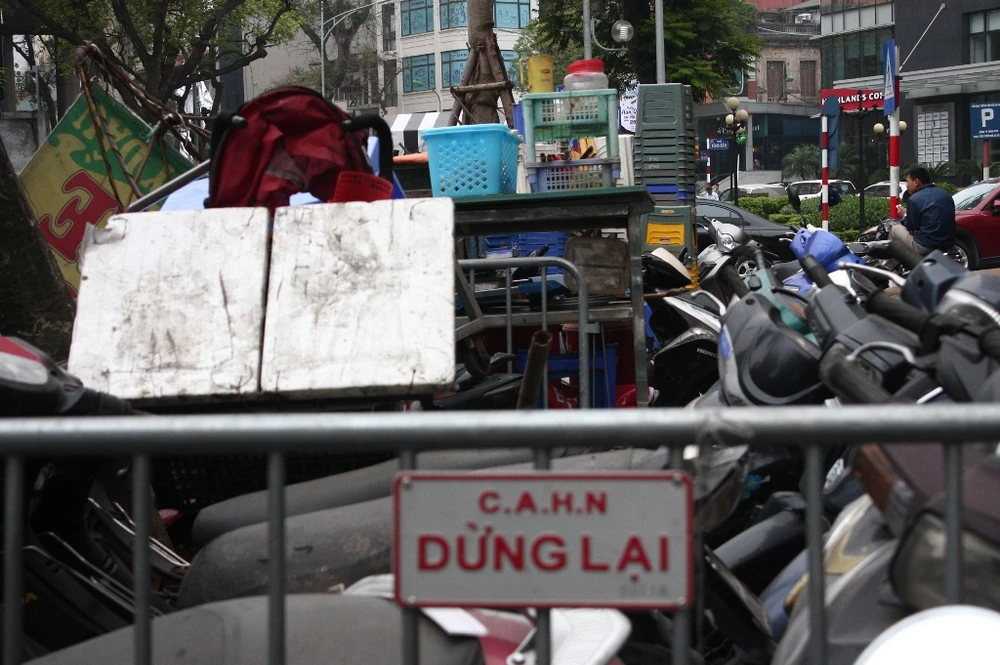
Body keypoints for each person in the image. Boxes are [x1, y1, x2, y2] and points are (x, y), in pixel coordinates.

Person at [891, 166, 956, 255]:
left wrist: (905, 214)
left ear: (916, 182)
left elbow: (911, 227)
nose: (907, 185)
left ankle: (889, 263)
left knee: (894, 229)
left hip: (926, 246)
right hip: (948, 245)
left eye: (908, 181)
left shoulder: (914, 199)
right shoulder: (946, 194)